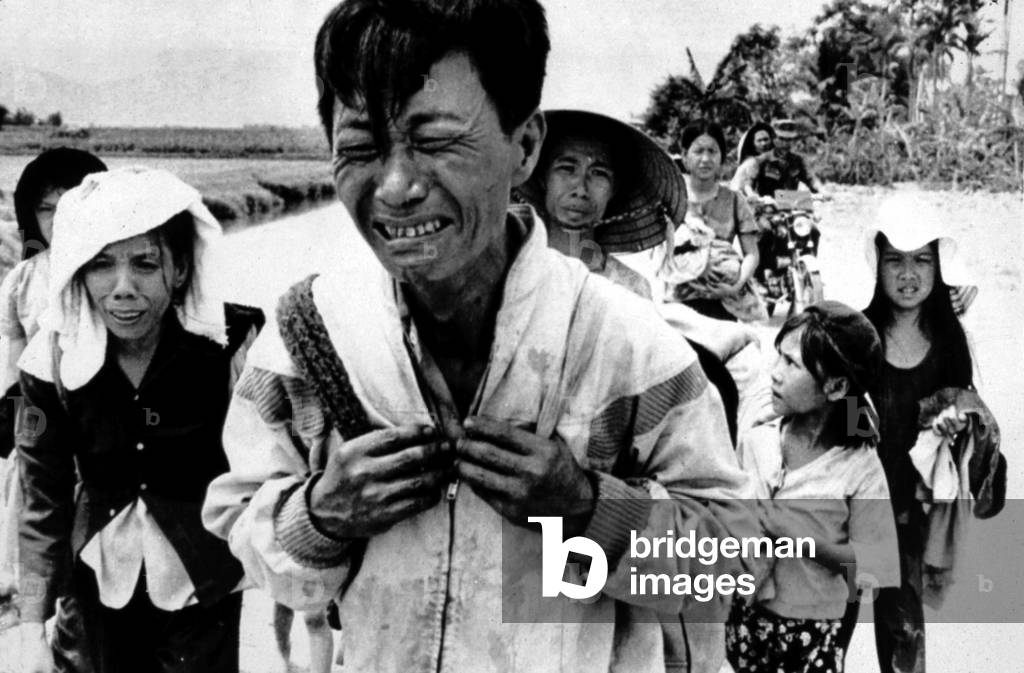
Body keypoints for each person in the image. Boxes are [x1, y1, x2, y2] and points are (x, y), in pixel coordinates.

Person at [201, 2, 761, 673]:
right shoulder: (305, 345)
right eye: (359, 148)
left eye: (436, 142)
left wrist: (587, 505)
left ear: (523, 146)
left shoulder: (628, 349)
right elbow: (243, 531)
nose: (398, 186)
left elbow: (731, 561)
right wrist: (323, 515)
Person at [16, 167, 258, 673]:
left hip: (202, 583)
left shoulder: (233, 344)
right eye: (101, 265)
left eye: (145, 264)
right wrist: (29, 627)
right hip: (94, 583)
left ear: (181, 270)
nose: (123, 288)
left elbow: (267, 467)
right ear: (77, 272)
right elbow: (43, 499)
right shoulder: (50, 361)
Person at [850, 194, 1003, 673]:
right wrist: (863, 427)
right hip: (858, 500)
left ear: (940, 267)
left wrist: (952, 423)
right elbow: (848, 416)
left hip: (912, 509)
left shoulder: (950, 342)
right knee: (834, 612)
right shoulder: (859, 334)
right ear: (876, 264)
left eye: (922, 261)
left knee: (902, 626)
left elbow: (963, 417)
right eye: (895, 260)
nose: (909, 274)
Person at [726, 301, 900, 673]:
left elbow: (877, 567)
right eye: (779, 357)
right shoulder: (760, 432)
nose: (775, 373)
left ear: (836, 386)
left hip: (811, 633)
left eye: (792, 364)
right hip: (743, 616)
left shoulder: (859, 468)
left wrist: (803, 541)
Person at [0, 148, 107, 631]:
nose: (59, 219)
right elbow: (14, 360)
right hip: (40, 418)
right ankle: (30, 616)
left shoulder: (105, 269)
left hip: (97, 420)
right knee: (34, 509)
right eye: (47, 208)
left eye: (71, 204)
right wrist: (16, 421)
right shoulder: (22, 279)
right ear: (31, 215)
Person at [515, 108, 687, 299]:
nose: (581, 190)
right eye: (566, 168)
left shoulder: (630, 289)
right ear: (543, 178)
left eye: (598, 173)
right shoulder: (513, 271)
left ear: (614, 190)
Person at [663, 120, 761, 322]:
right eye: (698, 151)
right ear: (684, 155)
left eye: (712, 151)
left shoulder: (734, 200)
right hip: (677, 303)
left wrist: (734, 286)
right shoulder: (671, 200)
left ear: (722, 158)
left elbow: (752, 253)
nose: (705, 159)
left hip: (723, 305)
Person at [736, 119, 826, 200]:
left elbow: (812, 179)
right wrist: (752, 195)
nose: (786, 143)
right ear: (774, 139)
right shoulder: (761, 160)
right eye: (782, 139)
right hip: (769, 207)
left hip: (791, 203)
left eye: (790, 139)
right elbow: (748, 183)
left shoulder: (798, 160)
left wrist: (823, 190)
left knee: (808, 213)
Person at [728, 121, 774, 198]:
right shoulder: (751, 163)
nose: (763, 144)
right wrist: (753, 196)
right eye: (759, 141)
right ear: (753, 143)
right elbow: (747, 184)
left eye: (766, 139)